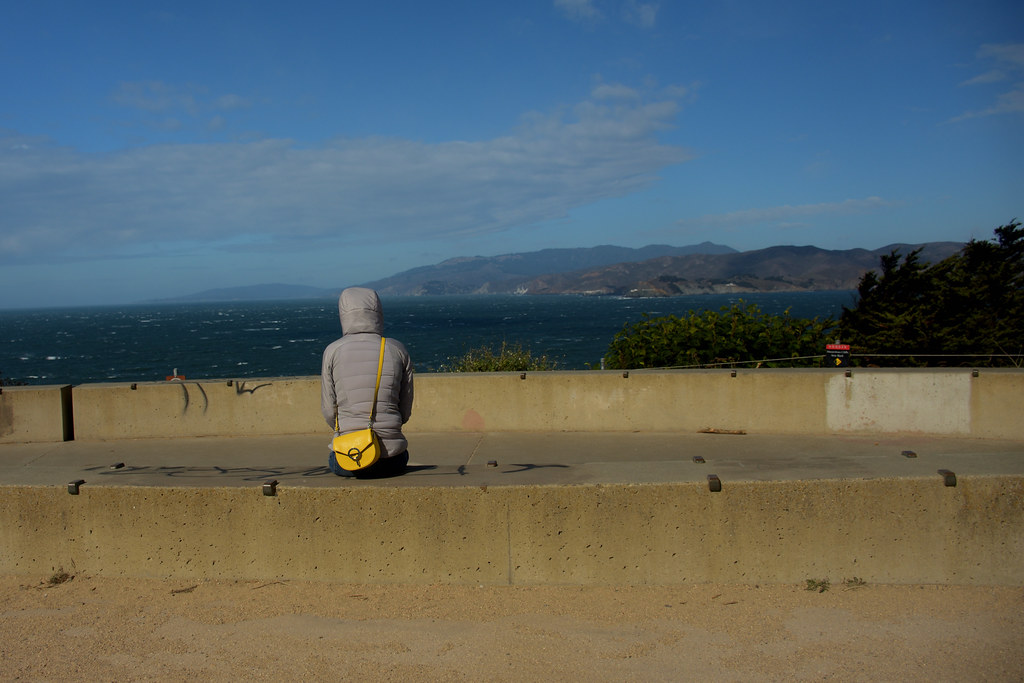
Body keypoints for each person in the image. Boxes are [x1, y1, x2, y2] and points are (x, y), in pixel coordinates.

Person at [321, 287, 414, 478]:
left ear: (343, 314)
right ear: (378, 312)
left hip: (349, 459)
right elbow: (405, 410)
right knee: (401, 456)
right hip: (392, 458)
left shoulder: (332, 351)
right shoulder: (397, 349)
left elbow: (330, 411)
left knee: (335, 459)